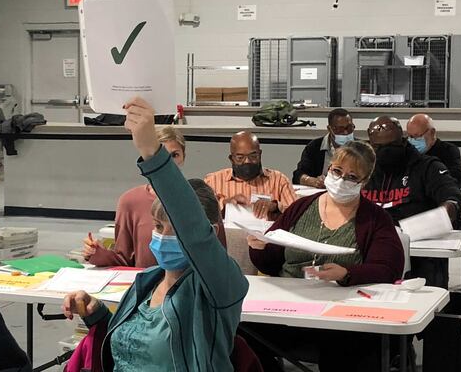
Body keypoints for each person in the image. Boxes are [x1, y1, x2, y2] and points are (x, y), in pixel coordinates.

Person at [62, 97, 248, 371]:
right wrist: (97, 313)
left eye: (177, 231)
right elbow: (131, 348)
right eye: (159, 227)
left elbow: (192, 227)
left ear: (206, 233)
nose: (164, 237)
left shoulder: (220, 286)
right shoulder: (147, 282)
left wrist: (151, 149)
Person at [245, 141, 404, 372]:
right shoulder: (301, 207)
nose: (341, 181)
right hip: (289, 304)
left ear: (365, 182)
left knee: (348, 348)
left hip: (340, 313)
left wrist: (347, 273)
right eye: (337, 172)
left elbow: (388, 268)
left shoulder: (375, 219)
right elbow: (270, 263)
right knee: (242, 331)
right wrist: (258, 247)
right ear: (328, 168)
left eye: (352, 177)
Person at [84, 127, 226, 267]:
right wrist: (97, 254)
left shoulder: (202, 198)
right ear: (150, 159)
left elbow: (219, 257)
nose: (168, 163)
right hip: (145, 283)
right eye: (162, 156)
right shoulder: (130, 202)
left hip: (192, 285)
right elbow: (124, 259)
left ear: (183, 157)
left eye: (174, 155)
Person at [362, 116, 461, 288]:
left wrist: (429, 222)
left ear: (402, 141)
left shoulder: (427, 166)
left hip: (418, 248)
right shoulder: (364, 169)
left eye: (391, 146)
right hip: (372, 248)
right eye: (379, 147)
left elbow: (453, 199)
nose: (384, 152)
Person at [205, 131, 296, 220]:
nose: (247, 161)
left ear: (260, 155)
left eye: (253, 156)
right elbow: (201, 215)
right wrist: (224, 204)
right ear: (231, 159)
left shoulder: (279, 180)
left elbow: (298, 215)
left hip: (267, 233)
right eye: (240, 158)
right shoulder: (212, 181)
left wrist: (275, 206)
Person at [292, 108, 355, 188]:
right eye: (340, 129)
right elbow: (298, 175)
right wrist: (313, 181)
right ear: (330, 129)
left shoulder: (361, 149)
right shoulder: (315, 147)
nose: (345, 133)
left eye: (349, 128)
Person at [407, 114, 461, 185]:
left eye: (417, 136)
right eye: (410, 136)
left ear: (432, 132)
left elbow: (454, 179)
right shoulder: (407, 151)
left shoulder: (449, 151)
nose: (412, 140)